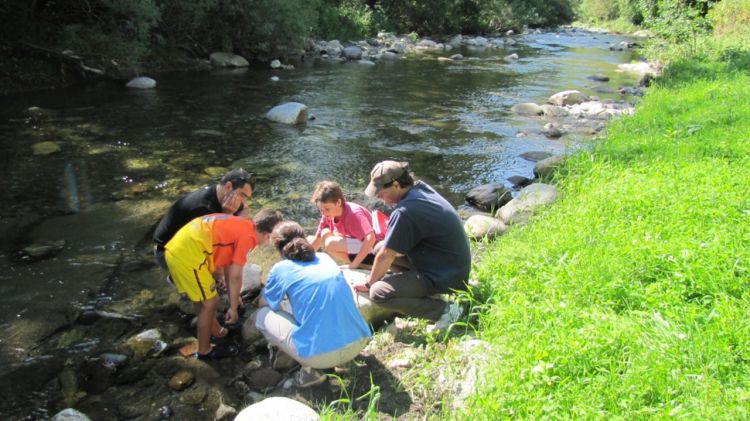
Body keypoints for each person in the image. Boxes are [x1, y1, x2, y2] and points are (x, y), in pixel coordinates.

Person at [354, 161, 471, 332]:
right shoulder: (420, 189)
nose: (379, 197)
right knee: (380, 247)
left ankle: (446, 311)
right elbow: (389, 250)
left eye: (380, 192)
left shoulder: (405, 211)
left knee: (378, 293)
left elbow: (387, 255)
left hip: (446, 275)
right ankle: (422, 294)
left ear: (396, 185)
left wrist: (369, 282)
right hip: (451, 264)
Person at [255, 221, 371, 387]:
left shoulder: (281, 268)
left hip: (320, 357)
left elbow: (264, 303)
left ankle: (308, 370)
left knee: (262, 316)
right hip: (357, 343)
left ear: (278, 247)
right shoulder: (324, 258)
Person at [165, 210, 282, 359]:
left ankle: (216, 331)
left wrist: (235, 296)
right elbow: (235, 276)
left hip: (179, 249)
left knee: (201, 300)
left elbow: (228, 265)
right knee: (210, 301)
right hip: (188, 256)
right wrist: (233, 308)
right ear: (268, 235)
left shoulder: (243, 225)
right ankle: (204, 351)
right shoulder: (248, 238)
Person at [153, 168, 255, 269]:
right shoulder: (203, 208)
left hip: (190, 245)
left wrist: (233, 219)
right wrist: (228, 214)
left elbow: (245, 208)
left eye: (247, 197)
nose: (244, 201)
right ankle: (178, 278)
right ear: (228, 186)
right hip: (168, 252)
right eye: (243, 195)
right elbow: (219, 244)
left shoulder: (228, 196)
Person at [309, 180, 385, 269]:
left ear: (338, 202)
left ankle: (362, 265)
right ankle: (361, 264)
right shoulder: (328, 214)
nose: (323, 213)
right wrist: (302, 260)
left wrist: (354, 265)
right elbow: (317, 240)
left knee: (330, 243)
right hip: (360, 243)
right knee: (325, 232)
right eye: (321, 209)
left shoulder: (354, 214)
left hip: (377, 249)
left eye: (327, 209)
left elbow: (371, 238)